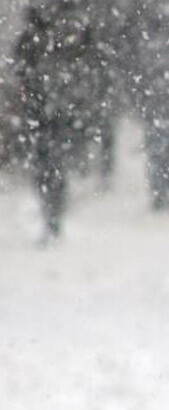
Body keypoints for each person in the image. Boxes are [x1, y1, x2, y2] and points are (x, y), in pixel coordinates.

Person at [12, 1, 107, 244]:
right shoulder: (74, 22)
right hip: (63, 106)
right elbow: (93, 60)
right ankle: (55, 210)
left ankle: (51, 211)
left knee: (46, 163)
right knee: (55, 161)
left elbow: (20, 66)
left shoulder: (36, 30)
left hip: (44, 108)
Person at [123, 0, 169, 212]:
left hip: (168, 98)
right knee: (162, 145)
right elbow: (135, 67)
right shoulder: (153, 31)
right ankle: (163, 190)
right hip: (158, 99)